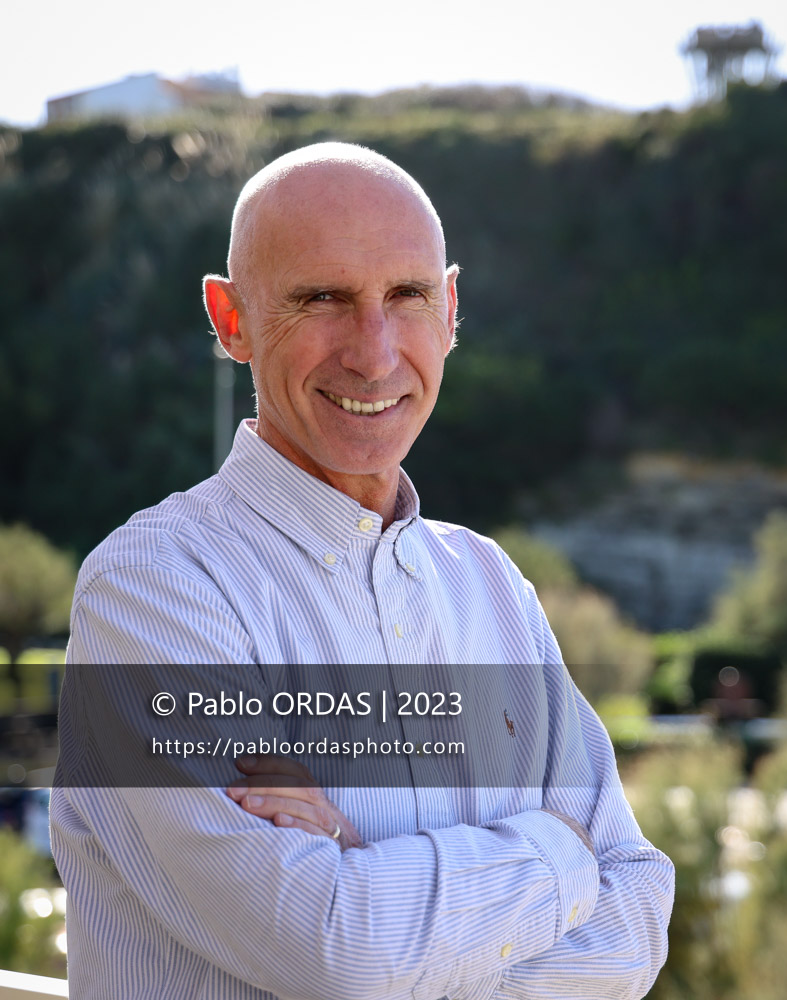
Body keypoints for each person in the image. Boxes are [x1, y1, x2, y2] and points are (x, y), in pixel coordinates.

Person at [51, 143, 674, 999]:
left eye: (407, 296)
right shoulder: (155, 590)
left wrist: (373, 882)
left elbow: (637, 920)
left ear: (450, 309)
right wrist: (562, 853)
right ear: (231, 320)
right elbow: (337, 949)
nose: (374, 354)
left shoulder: (491, 587)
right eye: (322, 299)